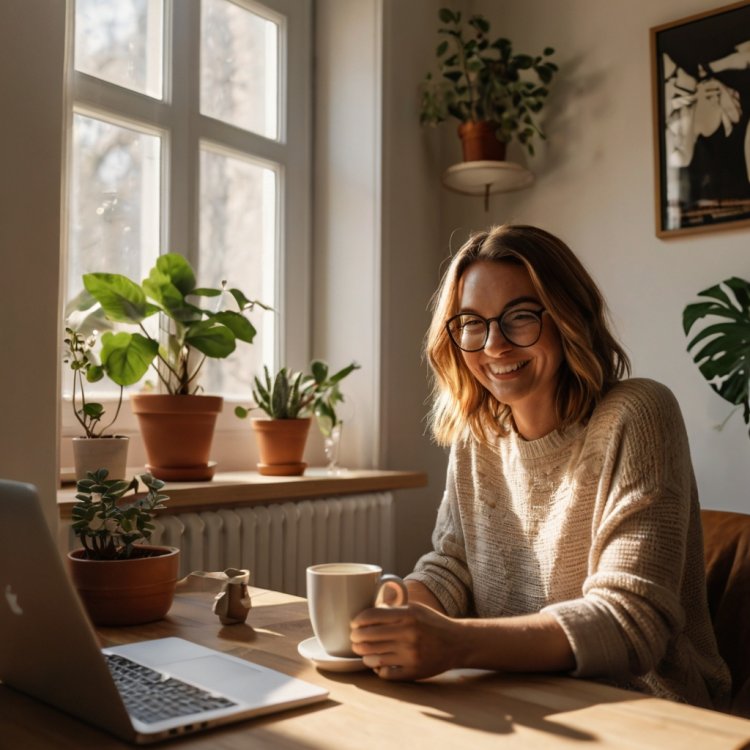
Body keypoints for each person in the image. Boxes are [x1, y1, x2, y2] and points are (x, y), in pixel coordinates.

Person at [350, 224, 731, 711]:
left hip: (649, 711)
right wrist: (391, 616)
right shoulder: (476, 433)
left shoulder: (638, 413)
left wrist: (456, 642)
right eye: (472, 322)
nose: (494, 346)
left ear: (569, 316)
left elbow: (631, 624)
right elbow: (452, 568)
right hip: (512, 697)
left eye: (521, 316)